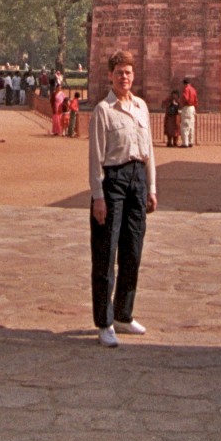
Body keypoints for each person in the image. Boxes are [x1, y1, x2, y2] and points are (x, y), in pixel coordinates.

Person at [88, 50, 157, 347]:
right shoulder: (103, 110)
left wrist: (151, 187)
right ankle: (104, 322)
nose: (124, 77)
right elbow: (95, 158)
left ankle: (123, 315)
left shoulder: (141, 106)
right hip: (113, 180)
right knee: (106, 253)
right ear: (110, 75)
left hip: (138, 179)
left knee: (133, 250)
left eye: (128, 73)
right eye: (119, 73)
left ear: (133, 75)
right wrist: (98, 196)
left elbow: (149, 151)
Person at [179, 78, 197, 147]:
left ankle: (185, 143)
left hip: (187, 107)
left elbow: (185, 97)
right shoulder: (193, 89)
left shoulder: (186, 89)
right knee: (191, 125)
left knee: (185, 125)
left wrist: (182, 103)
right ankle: (190, 142)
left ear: (184, 83)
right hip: (192, 107)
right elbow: (196, 100)